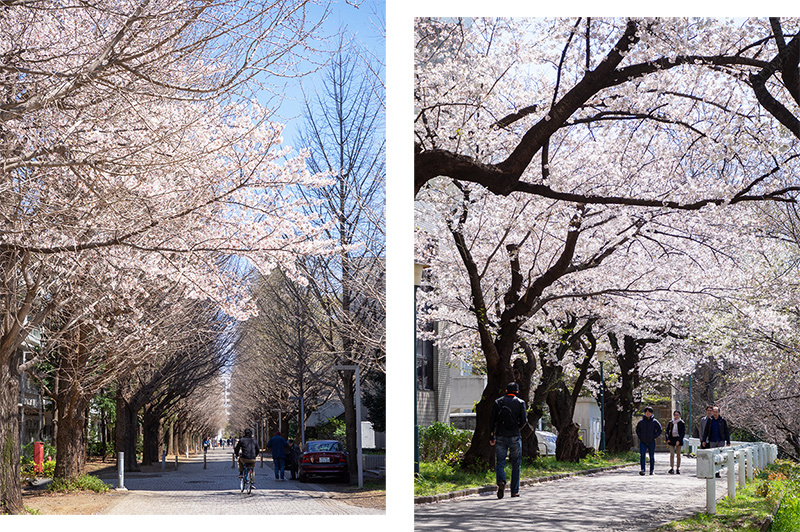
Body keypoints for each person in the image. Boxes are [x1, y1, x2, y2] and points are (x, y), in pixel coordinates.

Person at [489, 382, 527, 499]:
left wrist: (492, 436)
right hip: (515, 436)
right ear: (517, 392)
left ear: (506, 391)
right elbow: (524, 420)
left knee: (500, 462)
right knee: (516, 464)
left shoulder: (498, 402)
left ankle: (501, 481)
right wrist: (517, 428)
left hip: (500, 436)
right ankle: (514, 491)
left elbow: (492, 420)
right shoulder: (520, 403)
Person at [635, 406, 662, 476]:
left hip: (651, 441)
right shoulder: (641, 422)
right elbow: (637, 430)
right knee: (642, 456)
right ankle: (643, 470)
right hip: (643, 441)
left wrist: (654, 436)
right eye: (646, 412)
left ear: (651, 413)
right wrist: (640, 436)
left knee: (651, 456)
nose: (647, 413)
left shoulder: (654, 421)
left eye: (649, 412)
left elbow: (660, 430)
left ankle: (651, 470)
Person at [665, 410, 685, 475]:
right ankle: (672, 468)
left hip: (678, 439)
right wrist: (667, 439)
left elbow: (682, 433)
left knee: (678, 455)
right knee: (672, 454)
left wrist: (679, 440)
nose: (676, 416)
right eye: (675, 415)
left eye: (677, 415)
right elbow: (667, 431)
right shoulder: (671, 422)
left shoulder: (682, 423)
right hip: (671, 439)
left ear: (679, 415)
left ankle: (678, 468)